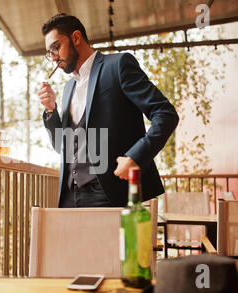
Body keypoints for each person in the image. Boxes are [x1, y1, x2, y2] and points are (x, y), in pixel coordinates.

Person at [38, 14, 179, 208]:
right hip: (70, 196)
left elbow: (165, 114)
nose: (53, 57)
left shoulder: (118, 65)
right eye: (49, 52)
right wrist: (51, 111)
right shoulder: (68, 88)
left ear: (76, 38)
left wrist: (135, 157)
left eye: (55, 47)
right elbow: (63, 147)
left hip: (109, 193)